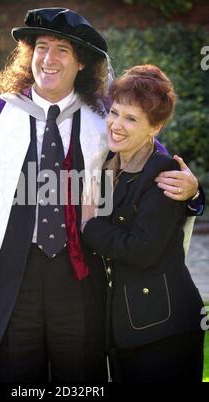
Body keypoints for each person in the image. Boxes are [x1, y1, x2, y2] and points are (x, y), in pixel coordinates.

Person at [0, 8, 203, 383]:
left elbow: (150, 171)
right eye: (41, 47)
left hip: (82, 277)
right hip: (12, 278)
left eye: (62, 50)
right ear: (28, 55)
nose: (49, 59)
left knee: (81, 379)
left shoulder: (105, 119)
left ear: (81, 62)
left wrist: (193, 194)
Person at [81, 64, 205, 383]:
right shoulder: (110, 166)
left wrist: (88, 224)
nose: (116, 125)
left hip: (165, 330)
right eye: (115, 113)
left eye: (131, 118)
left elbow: (141, 251)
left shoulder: (164, 173)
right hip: (127, 328)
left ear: (155, 128)